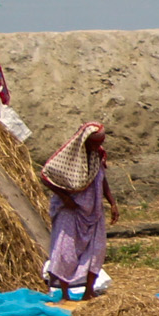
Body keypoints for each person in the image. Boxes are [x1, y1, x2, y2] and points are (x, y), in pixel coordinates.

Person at [39, 122, 117, 301]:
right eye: (94, 143)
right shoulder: (70, 157)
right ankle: (65, 293)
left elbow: (102, 180)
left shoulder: (98, 156)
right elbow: (46, 176)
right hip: (71, 211)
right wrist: (65, 197)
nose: (97, 147)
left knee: (96, 250)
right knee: (66, 251)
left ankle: (88, 291)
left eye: (100, 143)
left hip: (94, 209)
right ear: (85, 142)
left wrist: (112, 203)